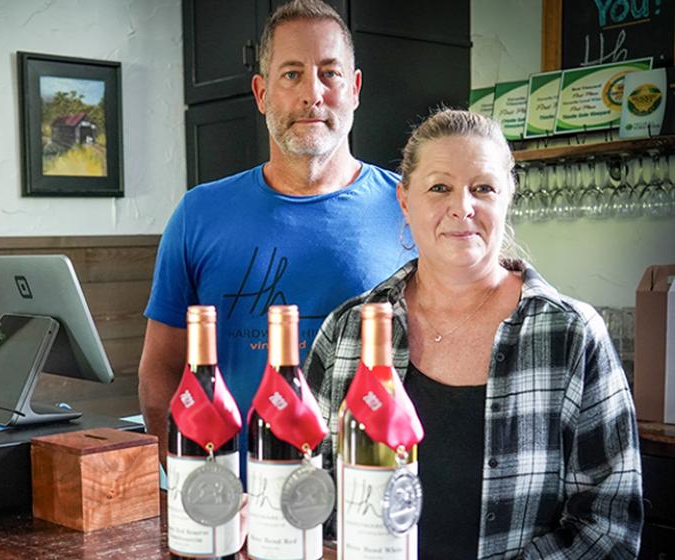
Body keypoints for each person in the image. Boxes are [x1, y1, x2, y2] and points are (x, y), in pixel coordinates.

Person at [305, 109, 643, 558]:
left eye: (482, 188)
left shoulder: (571, 335)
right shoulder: (349, 330)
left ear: (508, 197)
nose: (461, 207)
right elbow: (309, 488)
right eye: (439, 187)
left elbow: (609, 525)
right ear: (405, 200)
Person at [139, 0, 413, 468]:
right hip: (230, 501)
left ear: (355, 88)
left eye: (330, 73)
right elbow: (162, 369)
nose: (313, 94)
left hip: (364, 499)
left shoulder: (409, 210)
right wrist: (188, 478)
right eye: (291, 75)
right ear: (261, 93)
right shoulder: (199, 214)